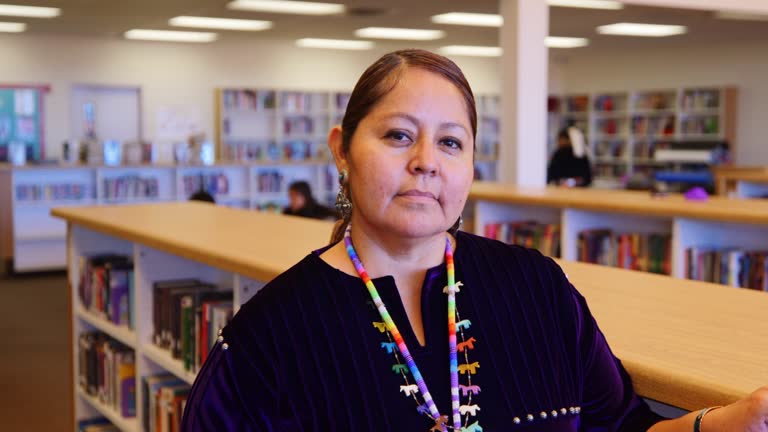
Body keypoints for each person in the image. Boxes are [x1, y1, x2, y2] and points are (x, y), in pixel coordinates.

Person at [181, 50, 767, 431]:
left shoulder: (538, 287)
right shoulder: (268, 335)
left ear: (471, 165)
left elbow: (622, 427)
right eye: (397, 135)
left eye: (450, 143)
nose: (425, 163)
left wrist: (737, 419)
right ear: (341, 148)